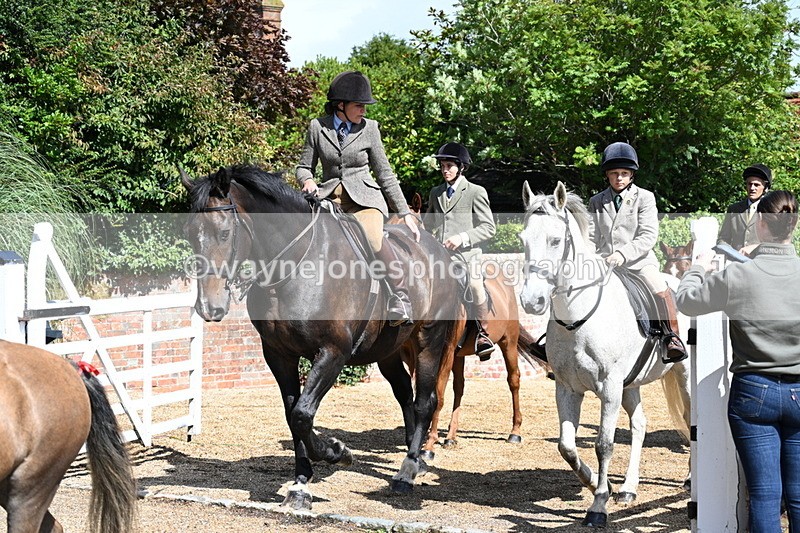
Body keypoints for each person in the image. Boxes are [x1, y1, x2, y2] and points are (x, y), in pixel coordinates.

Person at [676, 190, 800, 532]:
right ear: (794, 225)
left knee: (763, 495)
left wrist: (697, 267)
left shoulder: (738, 276)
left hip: (754, 391)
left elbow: (686, 300)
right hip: (799, 391)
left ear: (760, 225)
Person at [296, 70, 419, 325]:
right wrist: (307, 180)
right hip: (329, 200)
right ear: (340, 106)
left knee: (374, 239)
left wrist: (404, 213)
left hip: (365, 201)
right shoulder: (317, 127)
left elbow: (384, 173)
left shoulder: (370, 129)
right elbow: (303, 166)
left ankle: (400, 296)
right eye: (359, 105)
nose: (364, 110)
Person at [588, 141, 687, 363]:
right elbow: (591, 237)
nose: (619, 178)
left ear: (632, 174)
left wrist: (622, 254)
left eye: (624, 173)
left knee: (659, 288)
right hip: (605, 263)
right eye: (614, 173)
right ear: (607, 175)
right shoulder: (596, 201)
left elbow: (648, 235)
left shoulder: (645, 198)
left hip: (639, 262)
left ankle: (671, 337)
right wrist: (592, 256)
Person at [424, 142, 496, 360]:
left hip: (468, 256)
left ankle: (483, 335)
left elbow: (489, 228)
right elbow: (429, 225)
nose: (445, 170)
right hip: (441, 257)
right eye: (443, 166)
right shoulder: (435, 193)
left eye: (449, 166)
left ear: (461, 167)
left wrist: (462, 238)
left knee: (474, 284)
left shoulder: (475, 192)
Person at [717, 163, 772, 257]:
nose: (752, 188)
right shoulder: (734, 209)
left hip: (760, 263)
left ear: (765, 188)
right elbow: (723, 239)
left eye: (756, 185)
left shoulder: (771, 210)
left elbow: (776, 242)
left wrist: (755, 248)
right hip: (736, 263)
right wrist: (731, 253)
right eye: (749, 184)